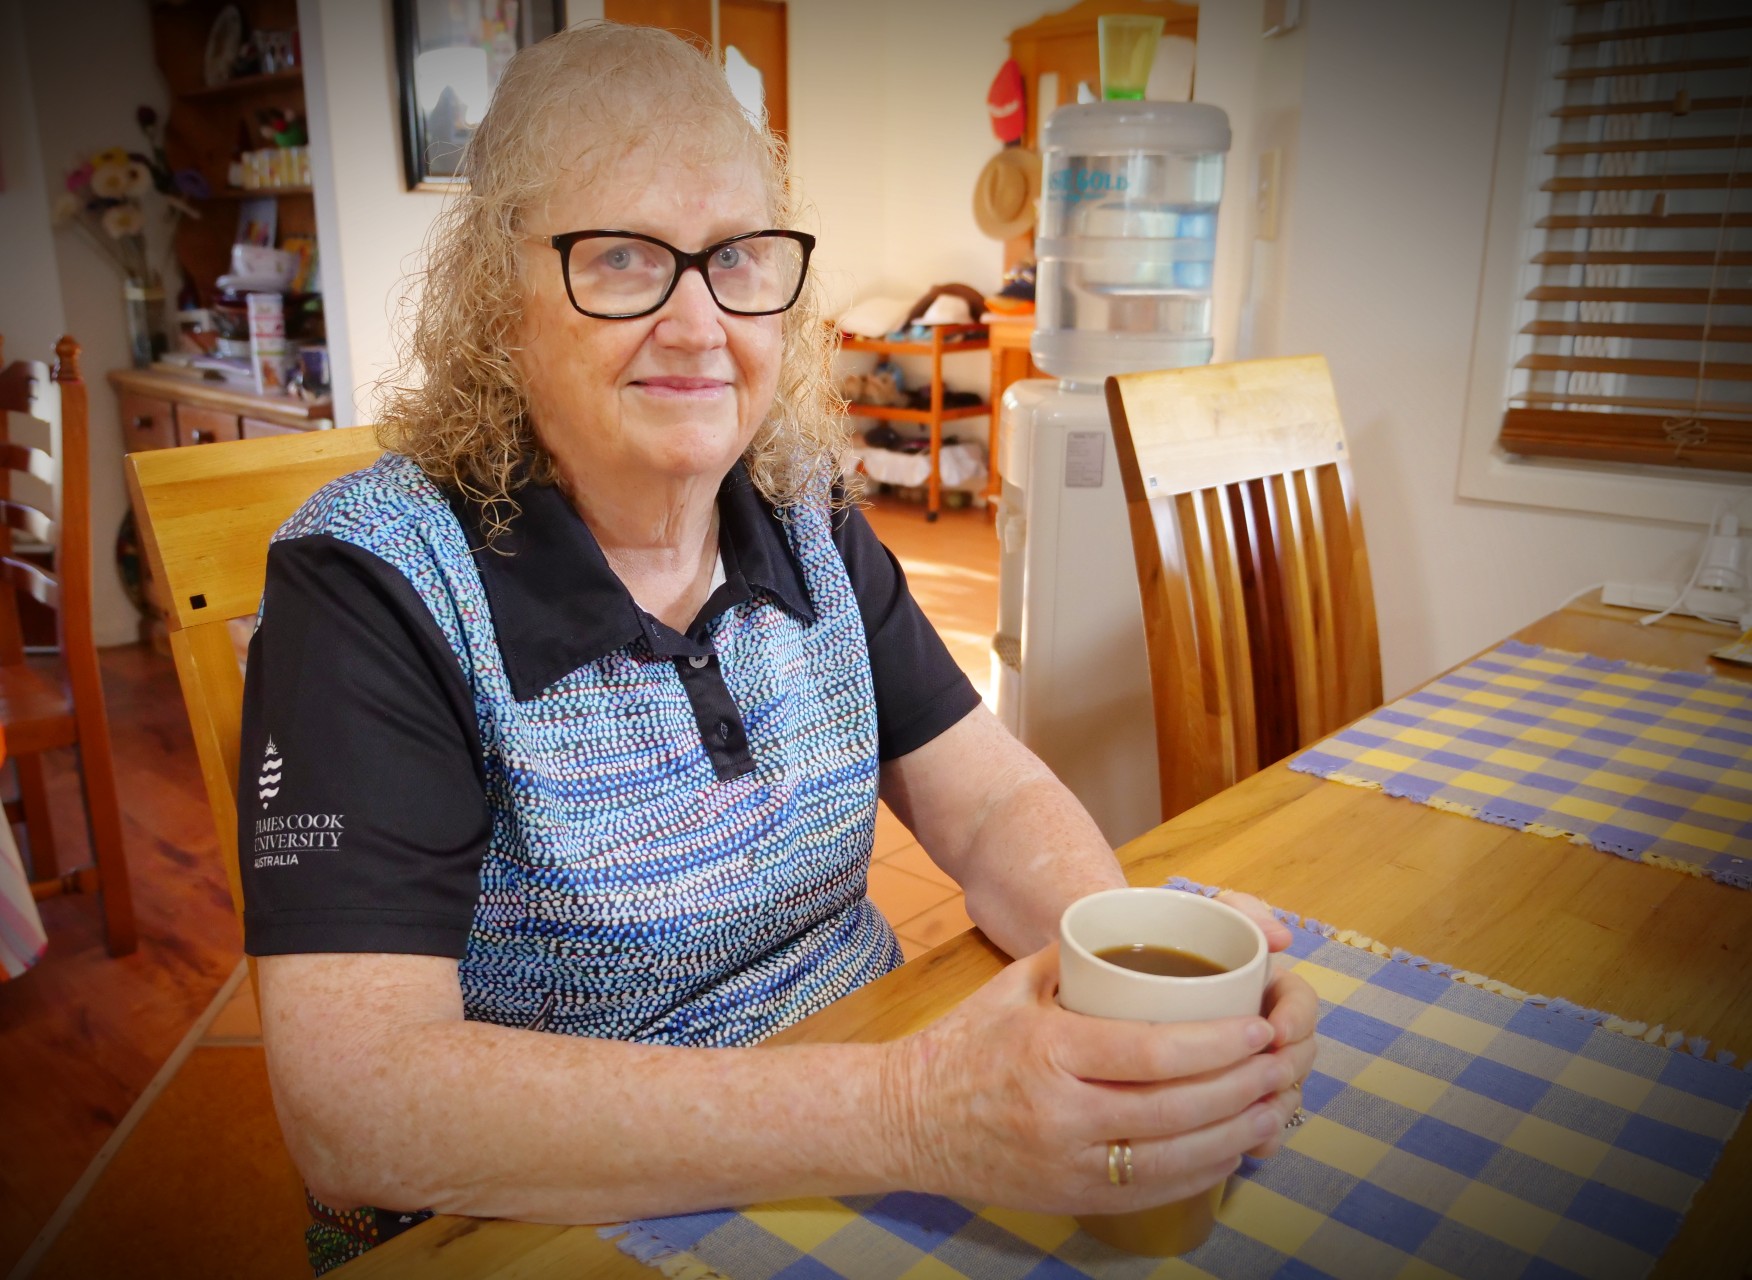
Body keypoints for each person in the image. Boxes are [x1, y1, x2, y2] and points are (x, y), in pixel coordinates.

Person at [238, 21, 1317, 1275]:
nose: (702, 326)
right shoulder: (369, 579)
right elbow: (357, 1105)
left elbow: (992, 802)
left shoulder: (800, 509)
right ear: (498, 297)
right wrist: (912, 1111)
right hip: (545, 1215)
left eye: (741, 258)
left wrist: (1140, 988)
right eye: (625, 257)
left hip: (865, 1137)